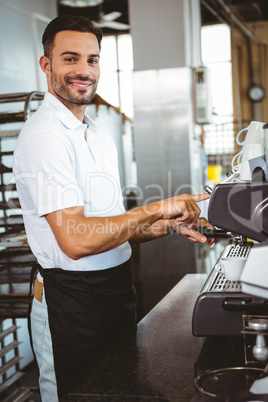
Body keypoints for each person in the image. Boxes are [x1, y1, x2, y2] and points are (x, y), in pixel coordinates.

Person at [13, 15, 214, 401]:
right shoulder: (45, 137)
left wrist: (167, 224)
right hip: (69, 300)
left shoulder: (96, 132)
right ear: (46, 64)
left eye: (92, 59)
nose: (84, 70)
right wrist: (156, 208)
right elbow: (75, 241)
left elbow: (108, 229)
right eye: (70, 58)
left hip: (114, 292)